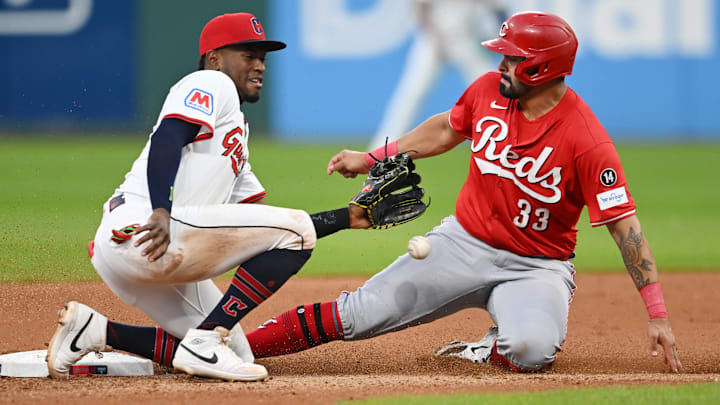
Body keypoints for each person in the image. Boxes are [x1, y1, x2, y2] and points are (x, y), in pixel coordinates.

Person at [244, 11, 682, 373]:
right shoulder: (488, 91)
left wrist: (657, 312)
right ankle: (241, 348)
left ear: (542, 67)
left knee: (530, 352)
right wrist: (375, 157)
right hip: (462, 243)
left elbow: (625, 228)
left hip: (538, 266)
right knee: (358, 315)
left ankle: (486, 346)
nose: (501, 65)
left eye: (512, 58)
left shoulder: (587, 142)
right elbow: (445, 129)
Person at [46, 12, 415, 382]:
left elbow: (260, 233)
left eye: (263, 59)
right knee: (284, 248)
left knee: (236, 351)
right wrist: (161, 208)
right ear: (215, 58)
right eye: (248, 55)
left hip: (145, 247)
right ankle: (204, 340)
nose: (259, 66)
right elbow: (168, 136)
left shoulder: (235, 137)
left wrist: (350, 216)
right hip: (147, 228)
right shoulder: (211, 82)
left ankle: (95, 330)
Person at [369, 0, 507, 149]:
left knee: (494, 89)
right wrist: (433, 35)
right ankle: (384, 146)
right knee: (413, 92)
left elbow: (497, 8)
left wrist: (495, 35)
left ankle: (512, 140)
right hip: (433, 40)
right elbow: (420, 8)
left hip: (464, 39)